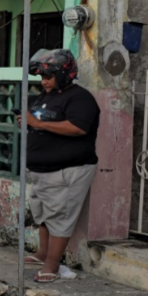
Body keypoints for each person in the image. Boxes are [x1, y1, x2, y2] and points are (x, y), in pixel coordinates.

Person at [22, 49, 100, 283]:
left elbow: (78, 128)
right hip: (42, 171)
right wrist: (28, 123)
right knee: (44, 215)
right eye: (41, 78)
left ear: (63, 75)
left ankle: (52, 265)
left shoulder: (80, 98)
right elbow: (41, 122)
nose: (43, 82)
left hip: (67, 170)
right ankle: (42, 253)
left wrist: (37, 123)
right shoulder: (46, 96)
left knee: (60, 217)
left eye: (48, 77)